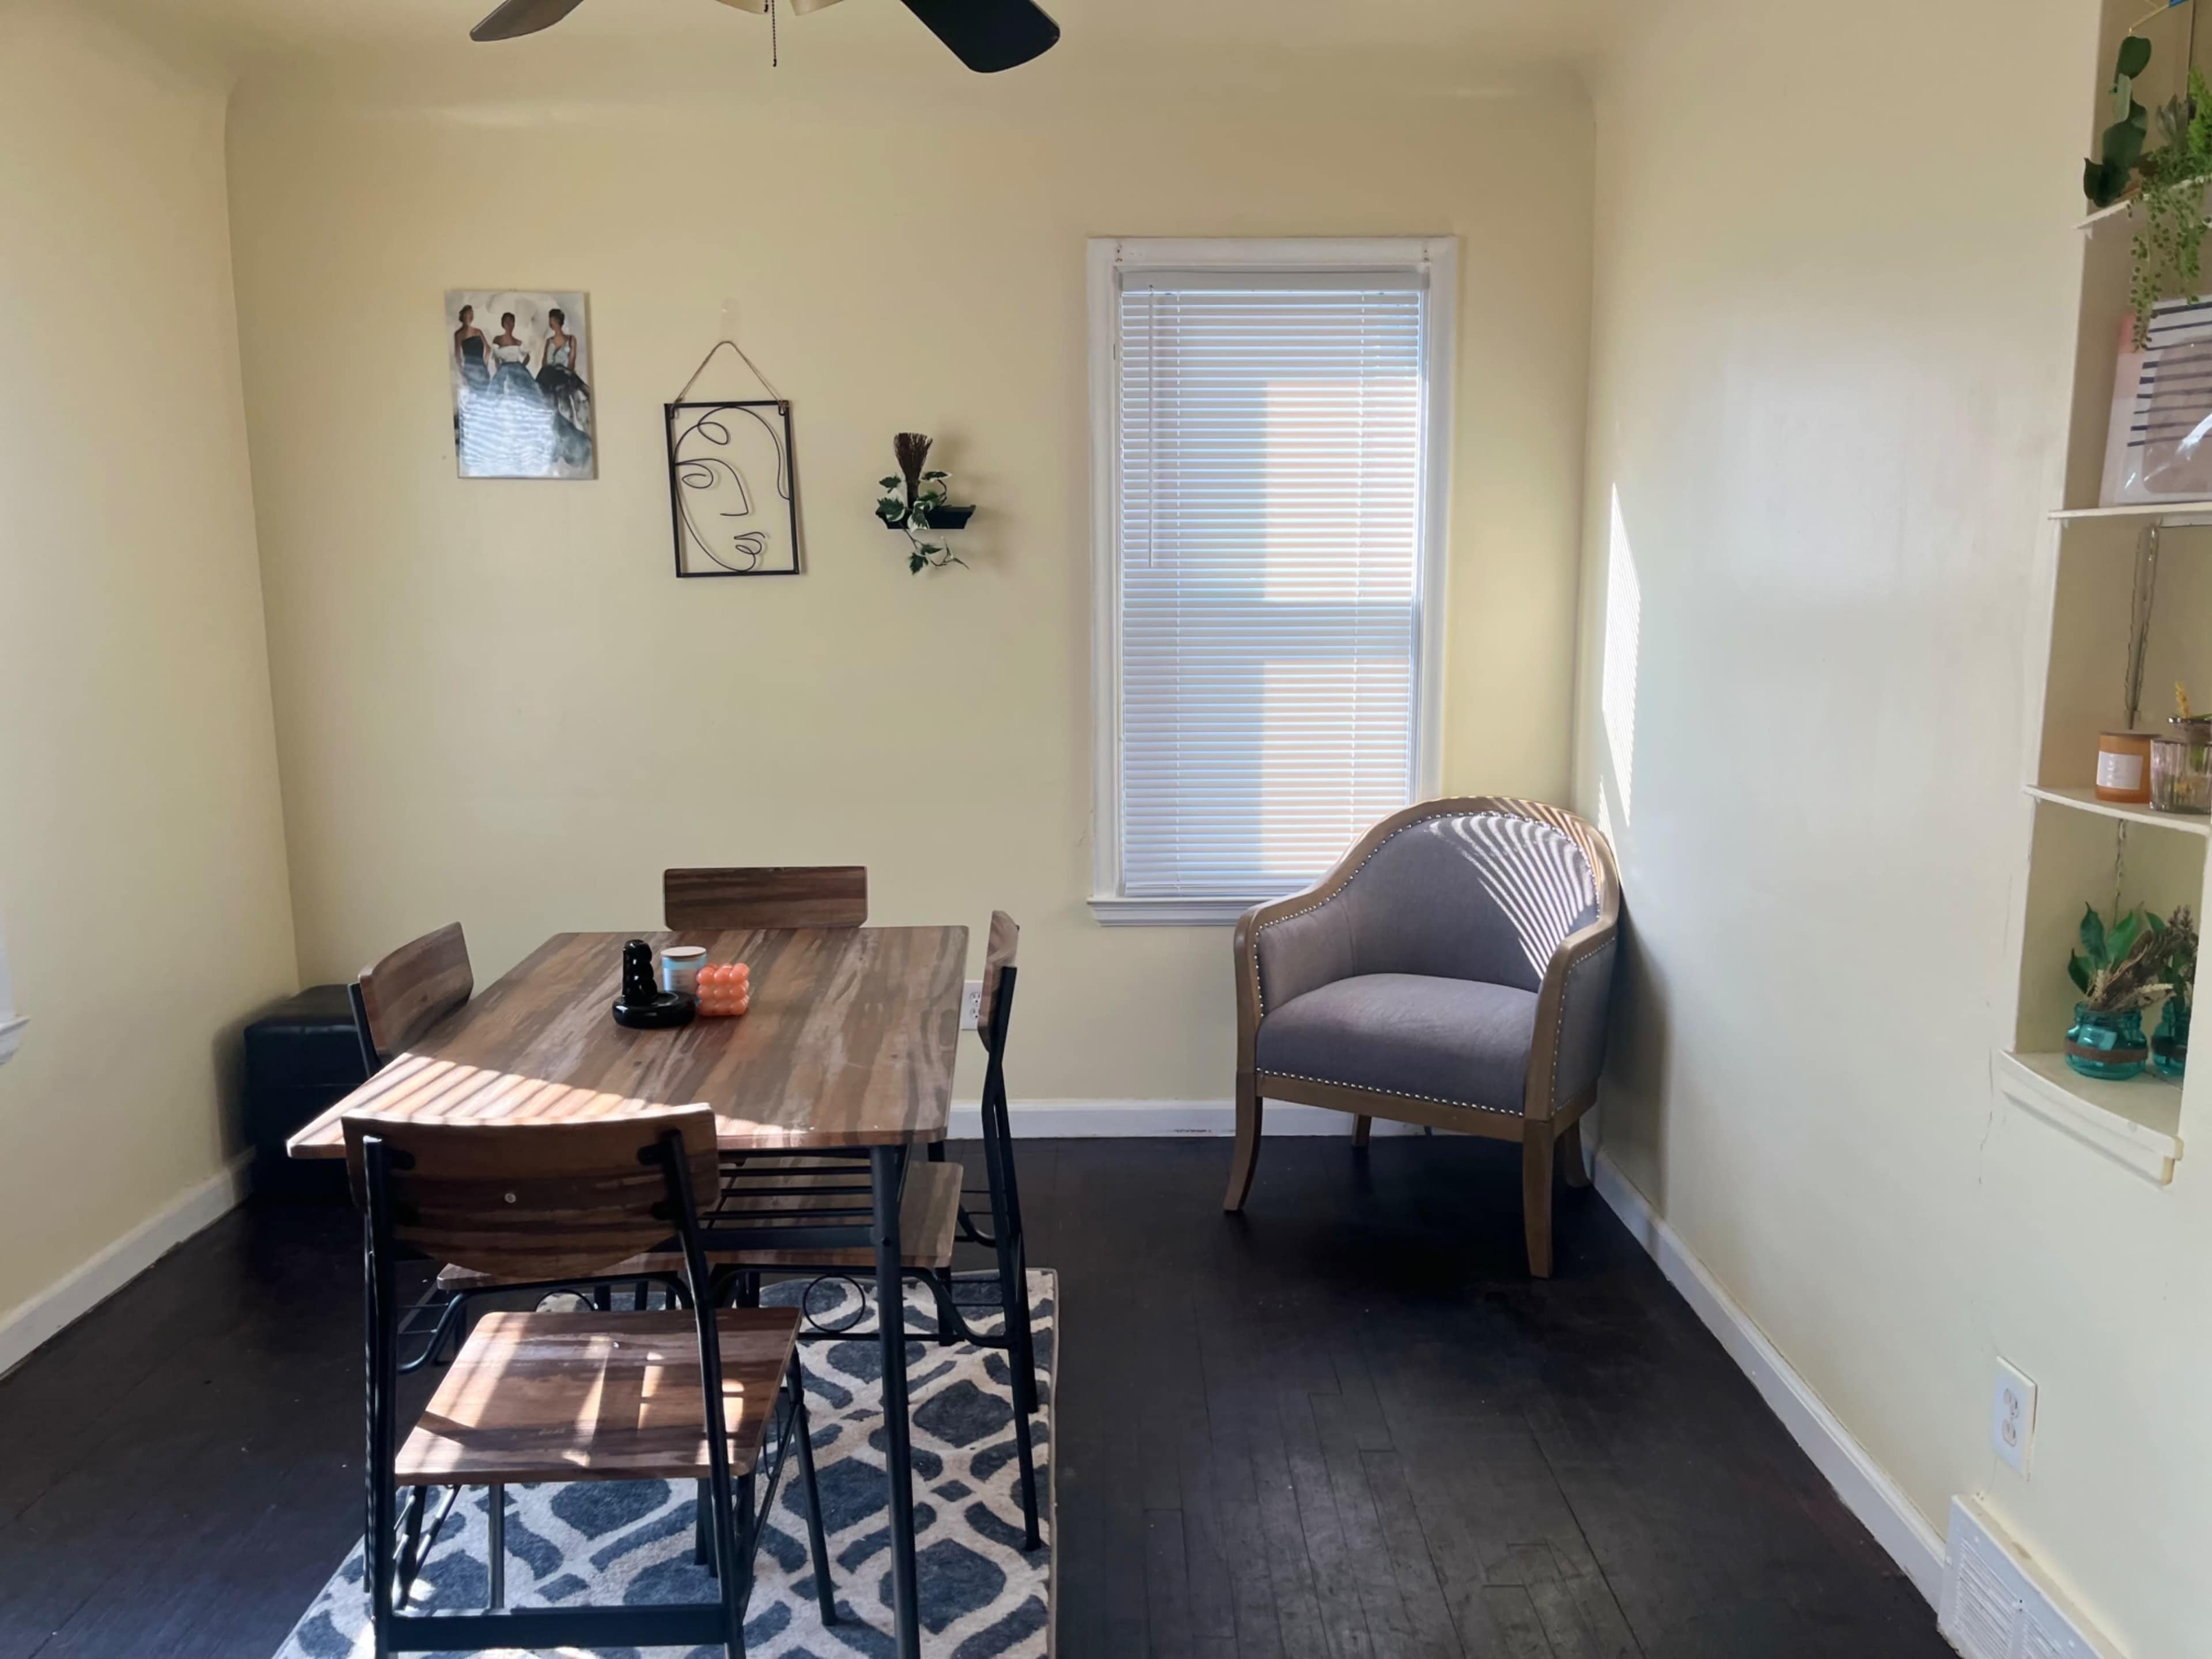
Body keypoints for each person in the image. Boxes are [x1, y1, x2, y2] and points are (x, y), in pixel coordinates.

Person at [535, 306, 593, 469]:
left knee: (567, 409)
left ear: (558, 321)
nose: (551, 323)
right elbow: (545, 362)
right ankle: (553, 446)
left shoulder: (571, 339)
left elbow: (572, 360)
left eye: (552, 320)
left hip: (564, 376)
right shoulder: (549, 342)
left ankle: (571, 445)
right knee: (550, 410)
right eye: (550, 321)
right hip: (548, 376)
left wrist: (568, 375)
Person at [452, 304, 490, 390]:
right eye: (467, 314)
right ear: (463, 316)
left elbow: (488, 349)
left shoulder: (478, 332)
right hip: (470, 369)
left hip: (480, 368)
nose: (469, 316)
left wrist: (485, 365)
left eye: (470, 314)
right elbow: (458, 357)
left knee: (483, 393)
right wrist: (462, 375)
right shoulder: (458, 334)